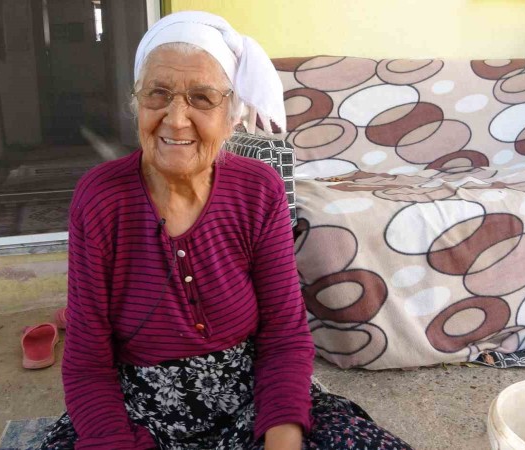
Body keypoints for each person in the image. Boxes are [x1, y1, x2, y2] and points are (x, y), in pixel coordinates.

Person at [41, 11, 412, 450]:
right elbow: (87, 362)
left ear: (233, 115)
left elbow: (284, 335)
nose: (176, 119)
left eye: (202, 98)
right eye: (158, 93)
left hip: (249, 394)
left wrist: (281, 438)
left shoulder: (258, 189)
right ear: (137, 104)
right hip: (137, 405)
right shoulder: (100, 197)